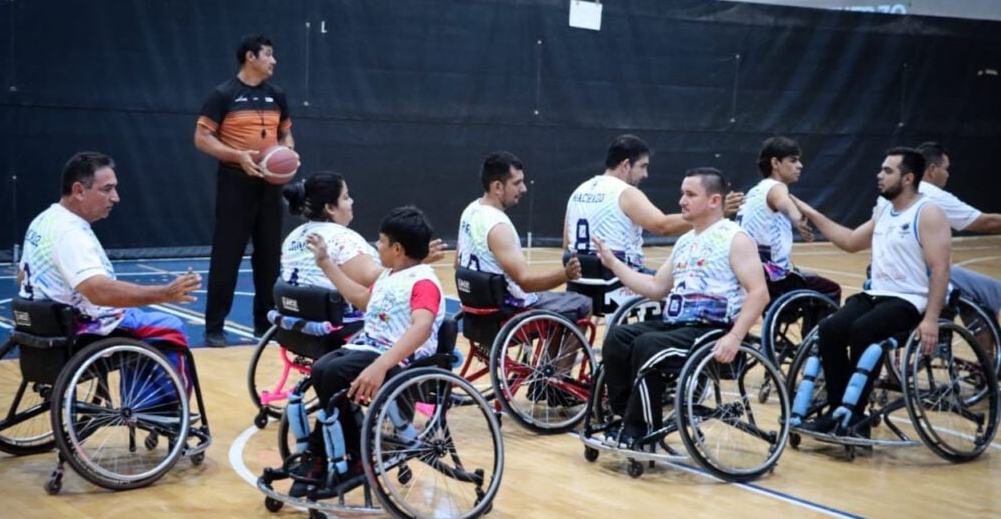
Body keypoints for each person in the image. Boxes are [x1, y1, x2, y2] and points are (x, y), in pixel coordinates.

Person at [595, 168, 769, 448]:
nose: (681, 201)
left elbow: (759, 293)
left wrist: (735, 337)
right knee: (618, 336)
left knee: (648, 345)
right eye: (682, 194)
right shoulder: (686, 240)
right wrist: (614, 264)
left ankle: (640, 427)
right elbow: (655, 287)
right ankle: (625, 415)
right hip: (677, 326)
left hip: (711, 331)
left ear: (714, 201)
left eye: (690, 195)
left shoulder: (735, 238)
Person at [288, 206, 445, 497]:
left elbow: (422, 326)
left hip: (398, 360)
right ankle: (345, 450)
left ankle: (323, 455)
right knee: (322, 369)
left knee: (333, 374)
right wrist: (326, 264)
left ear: (397, 249)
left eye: (381, 241)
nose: (377, 245)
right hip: (369, 348)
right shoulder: (389, 275)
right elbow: (362, 299)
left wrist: (381, 365)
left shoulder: (423, 282)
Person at [793, 147, 951, 434]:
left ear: (908, 178)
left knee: (864, 330)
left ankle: (853, 415)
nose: (879, 175)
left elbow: (940, 269)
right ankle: (839, 409)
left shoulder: (927, 213)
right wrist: (812, 213)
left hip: (909, 300)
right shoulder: (884, 210)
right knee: (830, 328)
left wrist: (930, 319)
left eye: (887, 170)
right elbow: (851, 241)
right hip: (876, 294)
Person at [18, 152, 201, 383]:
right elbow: (99, 292)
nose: (115, 198)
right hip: (83, 331)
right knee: (169, 327)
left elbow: (21, 277)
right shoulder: (71, 234)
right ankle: (158, 414)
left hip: (44, 325)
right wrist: (165, 293)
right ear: (79, 191)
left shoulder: (43, 220)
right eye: (107, 189)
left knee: (139, 319)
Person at [194, 34, 294, 347]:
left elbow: (287, 136)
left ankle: (264, 325)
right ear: (250, 57)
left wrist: (288, 156)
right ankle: (214, 328)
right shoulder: (223, 94)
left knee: (269, 257)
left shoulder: (277, 94)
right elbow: (201, 138)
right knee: (227, 256)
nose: (273, 61)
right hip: (236, 183)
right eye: (268, 54)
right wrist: (238, 156)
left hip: (269, 186)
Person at [279, 171, 445, 330]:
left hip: (300, 322)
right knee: (423, 315)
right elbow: (377, 280)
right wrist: (413, 258)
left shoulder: (293, 237)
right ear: (330, 207)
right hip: (341, 326)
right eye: (345, 197)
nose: (351, 202)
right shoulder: (341, 239)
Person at [564, 134, 743, 273]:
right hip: (618, 278)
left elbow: (567, 243)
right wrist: (711, 213)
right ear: (626, 165)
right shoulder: (625, 192)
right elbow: (662, 226)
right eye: (643, 166)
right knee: (677, 288)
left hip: (580, 277)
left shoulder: (579, 190)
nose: (646, 174)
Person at [457, 150, 591, 322]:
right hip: (511, 309)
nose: (524, 189)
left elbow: (458, 264)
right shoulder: (498, 226)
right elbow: (526, 283)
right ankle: (556, 351)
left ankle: (552, 349)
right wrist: (566, 275)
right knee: (583, 303)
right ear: (497, 186)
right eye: (517, 183)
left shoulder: (469, 211)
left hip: (478, 307)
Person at [737, 136, 841, 303]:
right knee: (830, 289)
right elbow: (784, 202)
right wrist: (797, 219)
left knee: (809, 277)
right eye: (793, 161)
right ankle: (816, 330)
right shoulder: (776, 188)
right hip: (770, 274)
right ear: (775, 163)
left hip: (747, 268)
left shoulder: (755, 191)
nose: (800, 166)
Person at [910, 141, 1001, 317]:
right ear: (932, 170)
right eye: (946, 168)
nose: (947, 174)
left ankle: (983, 339)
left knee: (972, 296)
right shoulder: (931, 194)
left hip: (895, 272)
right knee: (996, 292)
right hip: (922, 273)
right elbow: (987, 223)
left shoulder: (899, 191)